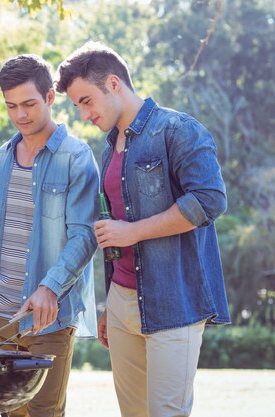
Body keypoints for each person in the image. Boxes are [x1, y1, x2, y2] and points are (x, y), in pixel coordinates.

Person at [56, 41, 230, 417]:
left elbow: (210, 200)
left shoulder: (178, 129)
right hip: (120, 303)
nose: (84, 114)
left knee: (166, 412)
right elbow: (111, 230)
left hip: (173, 300)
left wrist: (133, 231)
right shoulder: (108, 148)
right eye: (77, 105)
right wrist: (109, 305)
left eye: (86, 100)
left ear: (114, 84)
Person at [0, 54, 99, 417]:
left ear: (49, 98)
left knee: (45, 412)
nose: (20, 115)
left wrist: (49, 287)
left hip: (49, 316)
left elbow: (85, 237)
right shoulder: (3, 155)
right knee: (8, 412)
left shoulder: (77, 157)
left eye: (29, 104)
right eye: (11, 106)